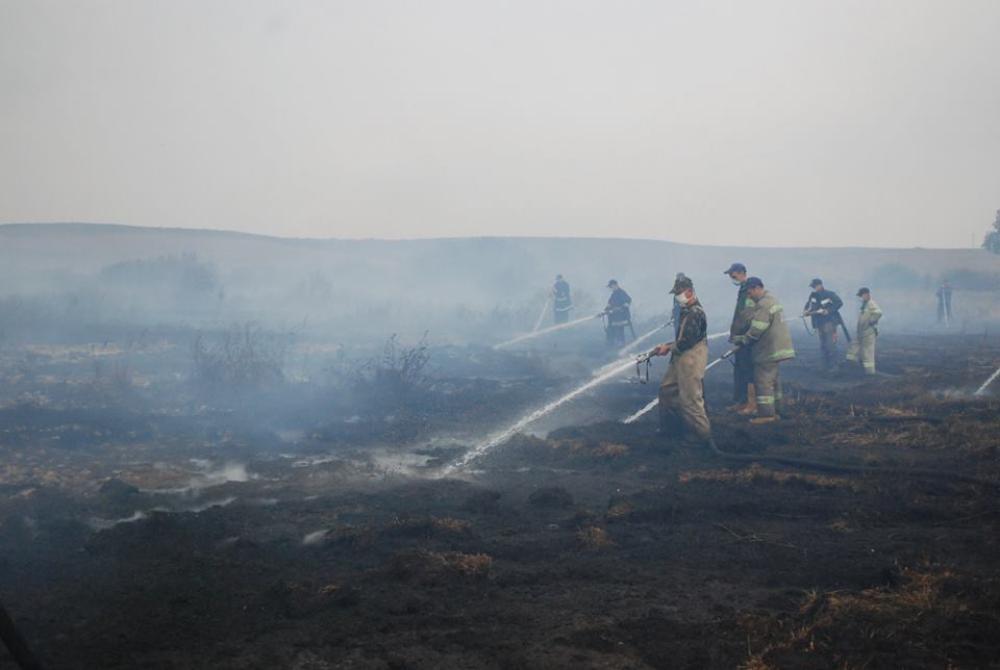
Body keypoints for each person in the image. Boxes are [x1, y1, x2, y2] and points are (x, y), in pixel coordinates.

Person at [648, 275, 711, 443]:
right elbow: (683, 339)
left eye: (680, 293)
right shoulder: (686, 311)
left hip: (691, 359)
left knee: (690, 400)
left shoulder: (695, 313)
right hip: (680, 357)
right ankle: (671, 431)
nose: (677, 297)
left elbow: (687, 342)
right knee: (667, 390)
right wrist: (668, 346)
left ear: (690, 292)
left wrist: (668, 347)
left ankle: (703, 438)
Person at [732, 277, 795, 424]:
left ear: (756, 288)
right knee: (774, 381)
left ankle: (767, 415)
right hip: (777, 348)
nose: (749, 296)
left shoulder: (764, 304)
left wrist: (744, 340)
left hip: (767, 349)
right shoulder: (771, 298)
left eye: (750, 292)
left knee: (763, 381)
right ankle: (778, 410)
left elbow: (757, 328)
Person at [724, 262, 756, 413]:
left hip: (746, 338)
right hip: (740, 337)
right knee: (740, 369)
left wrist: (743, 337)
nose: (731, 277)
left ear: (741, 272)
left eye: (733, 274)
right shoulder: (743, 290)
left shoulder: (748, 289)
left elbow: (747, 316)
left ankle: (749, 403)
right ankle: (741, 401)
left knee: (746, 369)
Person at [803, 278, 844, 371]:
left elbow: (839, 303)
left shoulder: (829, 294)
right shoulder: (813, 295)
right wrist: (806, 311)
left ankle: (834, 366)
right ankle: (825, 366)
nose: (814, 288)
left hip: (829, 322)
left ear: (820, 285)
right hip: (819, 323)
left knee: (830, 344)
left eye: (815, 286)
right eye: (813, 287)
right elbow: (809, 304)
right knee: (823, 344)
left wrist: (828, 310)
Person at [846, 287, 882, 375]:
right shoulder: (864, 304)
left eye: (861, 296)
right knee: (854, 347)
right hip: (861, 332)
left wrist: (871, 321)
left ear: (866, 294)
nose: (860, 298)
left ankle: (870, 373)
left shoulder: (871, 303)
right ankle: (851, 366)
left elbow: (878, 312)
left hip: (868, 333)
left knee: (867, 352)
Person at [603, 279, 632, 346]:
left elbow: (628, 301)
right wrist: (604, 310)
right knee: (609, 328)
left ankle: (621, 343)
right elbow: (609, 304)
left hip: (622, 317)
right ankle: (611, 342)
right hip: (614, 317)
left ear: (615, 285)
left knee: (618, 328)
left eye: (611, 286)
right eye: (610, 287)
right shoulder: (613, 294)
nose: (610, 288)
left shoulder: (622, 292)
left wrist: (622, 307)